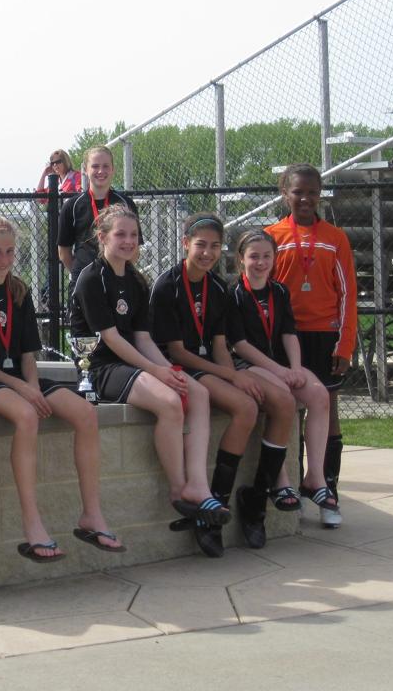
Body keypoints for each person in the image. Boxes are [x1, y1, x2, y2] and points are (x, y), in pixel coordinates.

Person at [70, 206, 230, 541]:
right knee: (169, 402)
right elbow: (111, 338)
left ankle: (198, 484)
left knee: (197, 392)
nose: (129, 241)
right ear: (102, 237)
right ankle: (178, 490)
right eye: (120, 234)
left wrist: (169, 371)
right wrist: (156, 370)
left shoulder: (136, 280)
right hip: (102, 367)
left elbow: (142, 338)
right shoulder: (91, 278)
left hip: (134, 362)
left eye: (134, 235)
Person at [0, 217, 123, 561]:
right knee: (26, 416)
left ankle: (91, 514)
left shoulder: (19, 291)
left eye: (10, 251)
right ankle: (32, 523)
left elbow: (27, 355)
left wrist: (33, 386)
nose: (4, 259)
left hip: (22, 378)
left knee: (85, 413)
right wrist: (22, 389)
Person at [149, 214, 293, 556]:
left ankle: (256, 500)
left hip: (213, 367)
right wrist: (231, 376)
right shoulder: (167, 285)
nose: (207, 253)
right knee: (245, 407)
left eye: (215, 246)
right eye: (200, 245)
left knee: (283, 403)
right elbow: (176, 351)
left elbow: (218, 344)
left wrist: (235, 376)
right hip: (178, 368)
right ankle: (212, 509)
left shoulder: (218, 288)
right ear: (186, 244)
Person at [265, 163, 357, 529]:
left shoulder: (335, 238)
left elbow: (348, 294)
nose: (305, 199)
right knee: (292, 413)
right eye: (298, 192)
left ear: (320, 195)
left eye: (312, 193)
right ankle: (298, 487)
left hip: (324, 336)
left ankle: (327, 491)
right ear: (284, 194)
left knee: (328, 411)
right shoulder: (272, 236)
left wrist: (345, 344)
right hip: (286, 338)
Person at [227, 229, 334, 543]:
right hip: (248, 365)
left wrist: (296, 368)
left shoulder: (280, 291)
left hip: (281, 366)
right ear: (241, 259)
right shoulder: (234, 293)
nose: (261, 263)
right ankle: (280, 479)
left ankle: (315, 477)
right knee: (283, 396)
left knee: (319, 394)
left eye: (266, 256)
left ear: (275, 258)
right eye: (254, 257)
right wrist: (279, 370)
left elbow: (289, 332)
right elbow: (240, 344)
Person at [58, 145, 142, 287]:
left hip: (117, 281)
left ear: (113, 169)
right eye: (95, 166)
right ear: (85, 170)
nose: (101, 171)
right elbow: (63, 252)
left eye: (105, 166)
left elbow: (135, 248)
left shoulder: (126, 204)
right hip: (83, 283)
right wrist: (84, 275)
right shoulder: (72, 206)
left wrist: (120, 271)